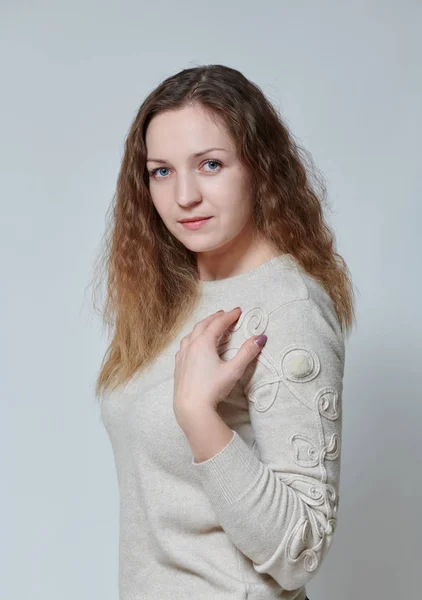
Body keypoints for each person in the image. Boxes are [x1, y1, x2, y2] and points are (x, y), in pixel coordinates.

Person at [92, 64, 356, 600]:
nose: (183, 195)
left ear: (261, 168)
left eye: (210, 164)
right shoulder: (174, 297)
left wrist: (198, 418)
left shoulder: (289, 307)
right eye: (161, 171)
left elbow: (301, 549)